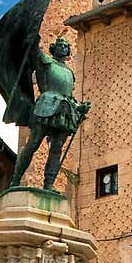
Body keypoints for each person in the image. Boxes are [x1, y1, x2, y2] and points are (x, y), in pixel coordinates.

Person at [9, 36, 90, 191]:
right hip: (46, 106)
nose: (63, 47)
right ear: (53, 48)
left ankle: (48, 184)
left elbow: (70, 96)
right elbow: (33, 49)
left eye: (66, 46)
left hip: (65, 110)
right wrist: (33, 33)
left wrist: (80, 108)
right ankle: (16, 179)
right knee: (33, 143)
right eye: (60, 45)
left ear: (68, 51)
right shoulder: (45, 62)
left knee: (57, 148)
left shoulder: (70, 73)